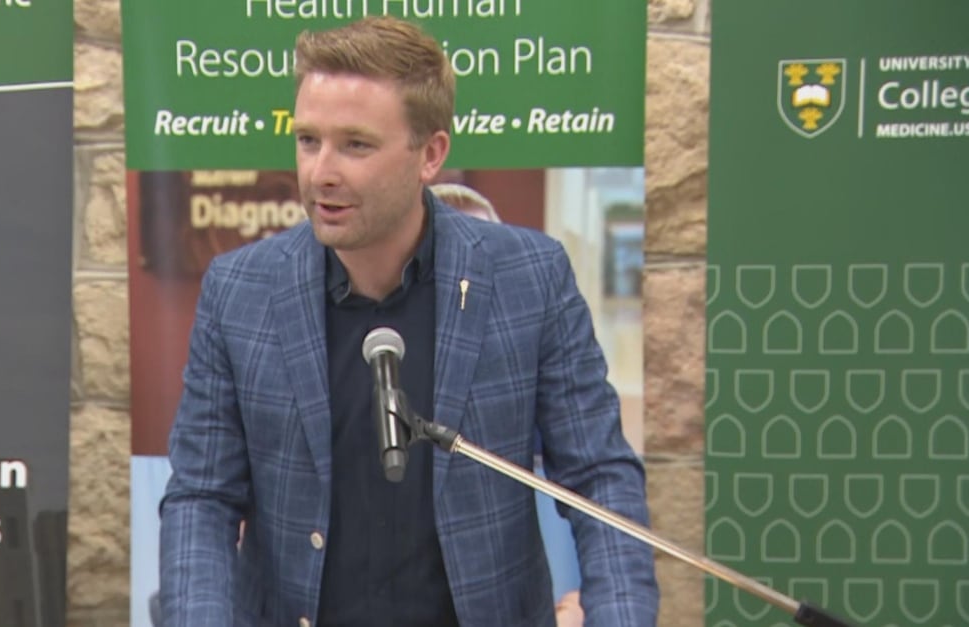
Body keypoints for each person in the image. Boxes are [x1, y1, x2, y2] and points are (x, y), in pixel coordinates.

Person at [159, 16, 658, 627]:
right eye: (308, 140)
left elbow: (600, 478)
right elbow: (201, 498)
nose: (321, 172)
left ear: (431, 155)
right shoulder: (240, 290)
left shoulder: (529, 278)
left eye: (356, 145)